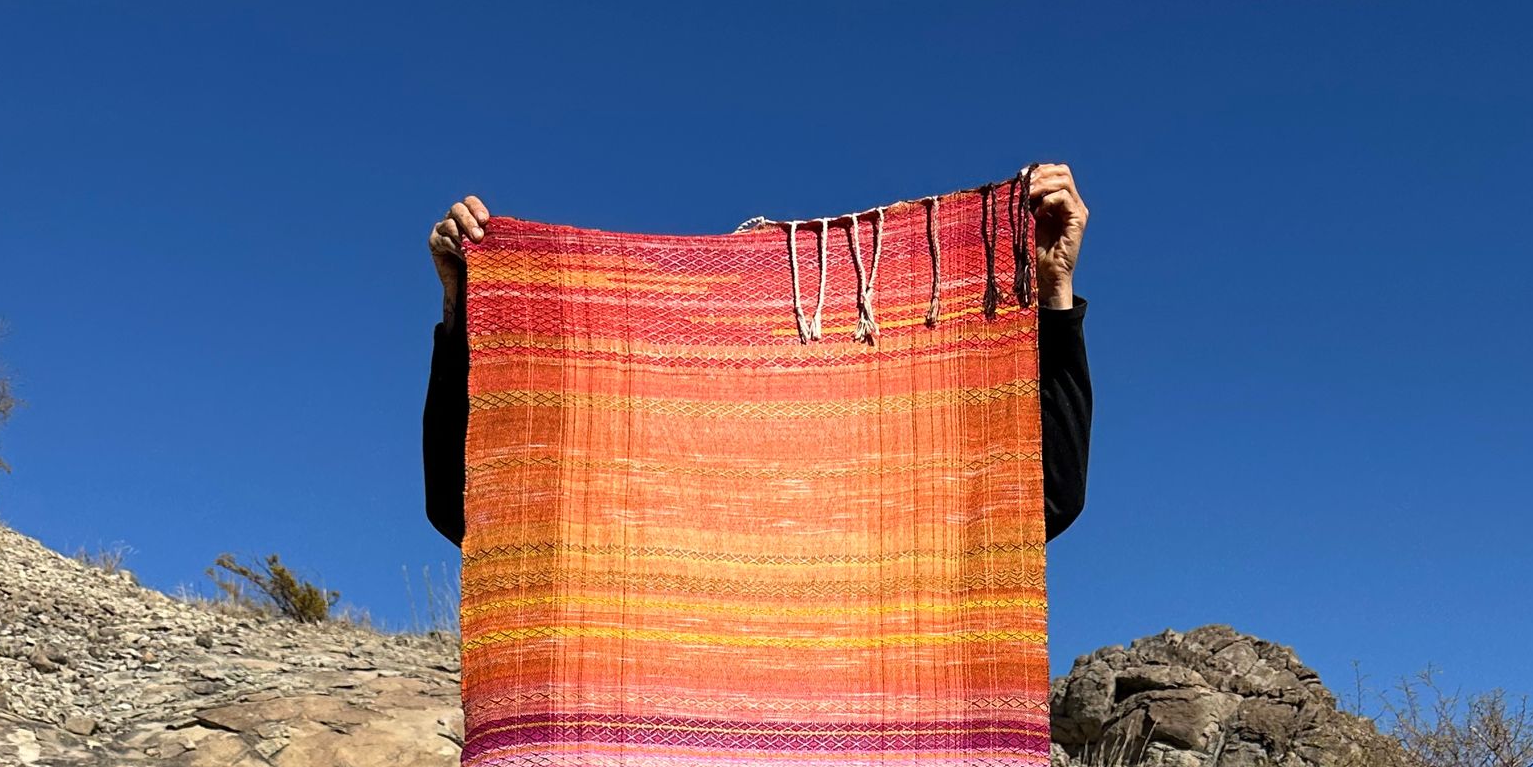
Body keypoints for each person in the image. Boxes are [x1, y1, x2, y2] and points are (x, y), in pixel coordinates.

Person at [422, 164, 1091, 546]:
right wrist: (462, 313)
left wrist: (1054, 292)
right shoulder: (645, 509)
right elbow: (465, 507)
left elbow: (1047, 499)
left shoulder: (869, 512)